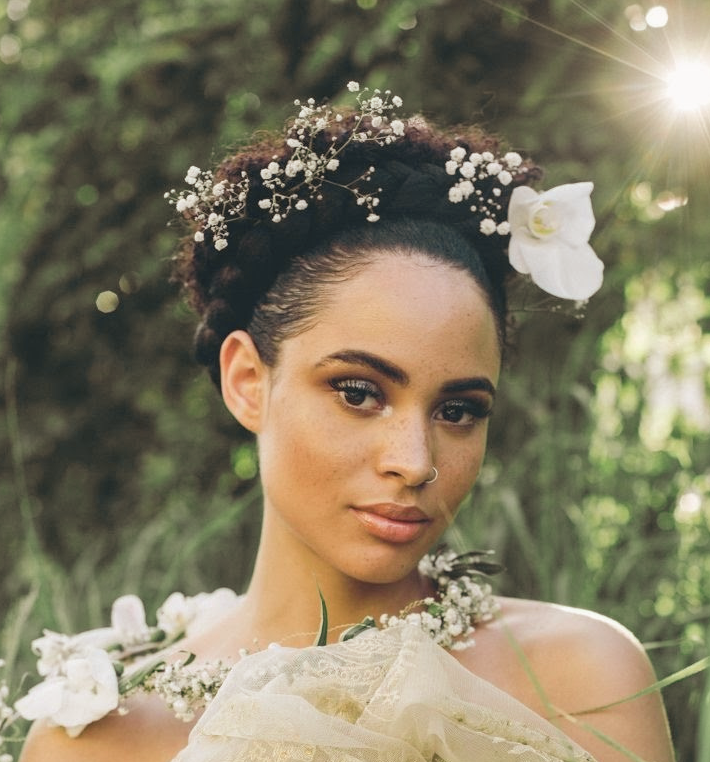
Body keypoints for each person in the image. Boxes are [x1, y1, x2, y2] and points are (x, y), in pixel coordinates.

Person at [18, 83, 674, 762]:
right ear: (247, 381)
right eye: (359, 393)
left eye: (458, 411)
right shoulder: (100, 737)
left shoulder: (582, 675)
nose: (416, 461)